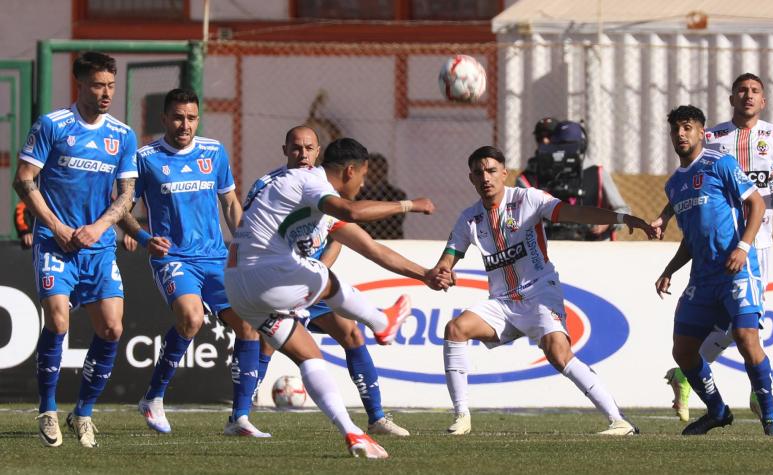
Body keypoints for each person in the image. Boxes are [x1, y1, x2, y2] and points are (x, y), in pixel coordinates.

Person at [224, 137, 448, 458]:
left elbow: (373, 249)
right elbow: (352, 210)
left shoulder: (312, 200)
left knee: (310, 356)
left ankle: (354, 433)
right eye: (363, 176)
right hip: (267, 274)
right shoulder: (312, 183)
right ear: (350, 171)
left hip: (240, 285)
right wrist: (409, 205)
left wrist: (424, 274)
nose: (364, 183)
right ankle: (381, 321)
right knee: (323, 275)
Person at [426, 145, 656, 436]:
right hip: (502, 303)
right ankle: (461, 417)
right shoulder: (469, 218)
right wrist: (443, 271)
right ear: (471, 178)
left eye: (491, 170)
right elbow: (447, 258)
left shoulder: (527, 198)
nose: (486, 177)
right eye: (478, 172)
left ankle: (618, 421)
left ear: (504, 173)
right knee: (455, 329)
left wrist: (621, 218)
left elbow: (573, 212)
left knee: (559, 354)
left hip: (539, 294)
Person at [119, 88, 275, 438]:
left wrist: (250, 244)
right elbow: (122, 207)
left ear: (198, 118)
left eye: (190, 117)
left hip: (217, 257)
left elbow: (231, 205)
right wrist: (142, 236)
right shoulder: (146, 158)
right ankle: (153, 398)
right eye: (177, 117)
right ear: (164, 119)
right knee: (191, 318)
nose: (184, 124)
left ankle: (239, 417)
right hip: (173, 257)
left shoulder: (214, 152)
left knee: (249, 327)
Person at [654, 74, 773, 425]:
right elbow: (688, 194)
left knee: (745, 327)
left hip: (755, 240)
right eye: (742, 90)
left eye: (755, 91)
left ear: (763, 100)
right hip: (713, 253)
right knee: (734, 326)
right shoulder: (713, 139)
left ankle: (755, 400)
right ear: (732, 97)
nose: (748, 96)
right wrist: (663, 218)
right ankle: (722, 393)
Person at [14, 52, 138, 448]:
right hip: (55, 242)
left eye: (111, 86)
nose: (106, 93)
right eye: (99, 85)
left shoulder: (122, 134)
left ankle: (82, 413)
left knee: (112, 328)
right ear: (80, 85)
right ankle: (48, 409)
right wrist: (58, 227)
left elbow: (127, 193)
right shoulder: (52, 125)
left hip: (98, 247)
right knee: (59, 321)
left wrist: (100, 227)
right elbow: (24, 180)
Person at [283, 127, 409, 436]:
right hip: (279, 280)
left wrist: (317, 273)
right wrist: (410, 205)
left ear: (318, 152)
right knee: (264, 343)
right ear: (285, 150)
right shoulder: (284, 187)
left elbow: (340, 234)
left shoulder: (325, 192)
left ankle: (376, 418)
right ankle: (241, 417)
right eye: (297, 148)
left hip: (310, 281)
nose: (303, 154)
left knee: (351, 334)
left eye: (309, 148)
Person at [516, 120, 631, 241]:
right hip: (552, 243)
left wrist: (607, 222)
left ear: (582, 146)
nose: (565, 150)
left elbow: (624, 210)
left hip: (595, 246)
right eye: (560, 145)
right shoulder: (541, 174)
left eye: (570, 145)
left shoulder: (597, 173)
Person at [356, 153, 407, 239]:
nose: (376, 173)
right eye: (372, 169)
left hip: (391, 238)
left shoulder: (397, 195)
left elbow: (394, 222)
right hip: (363, 238)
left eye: (379, 168)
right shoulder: (357, 195)